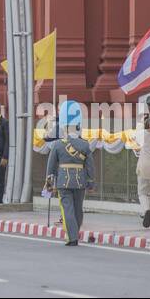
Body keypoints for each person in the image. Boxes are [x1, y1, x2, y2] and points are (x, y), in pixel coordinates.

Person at [43, 102, 94, 246]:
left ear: (64, 127)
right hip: (80, 180)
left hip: (63, 180)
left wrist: (49, 182)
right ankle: (75, 232)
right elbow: (90, 165)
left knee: (67, 209)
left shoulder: (58, 144)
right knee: (78, 209)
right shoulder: (84, 144)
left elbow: (51, 165)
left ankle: (72, 237)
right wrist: (91, 182)